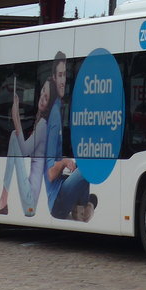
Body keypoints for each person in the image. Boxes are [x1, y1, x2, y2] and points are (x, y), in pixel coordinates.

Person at [43, 51, 97, 222]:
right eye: (60, 75)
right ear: (53, 78)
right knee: (89, 167)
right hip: (57, 202)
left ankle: (83, 206)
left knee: (84, 162)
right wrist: (65, 162)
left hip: (60, 196)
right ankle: (84, 207)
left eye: (65, 75)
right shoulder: (53, 118)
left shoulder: (58, 107)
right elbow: (50, 173)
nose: (63, 80)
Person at [0, 78, 52, 217]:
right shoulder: (42, 122)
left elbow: (24, 151)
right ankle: (3, 199)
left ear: (49, 104)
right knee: (14, 135)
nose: (42, 98)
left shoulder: (43, 124)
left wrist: (15, 116)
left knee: (14, 135)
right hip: (29, 197)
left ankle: (3, 199)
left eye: (46, 97)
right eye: (42, 92)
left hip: (29, 201)